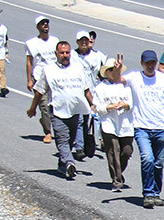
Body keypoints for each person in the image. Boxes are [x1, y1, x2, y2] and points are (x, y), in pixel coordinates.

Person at [28, 41, 95, 179]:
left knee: (70, 140)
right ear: (56, 54)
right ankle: (70, 163)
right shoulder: (49, 70)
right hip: (58, 111)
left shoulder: (78, 68)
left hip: (75, 111)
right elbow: (39, 91)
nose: (65, 55)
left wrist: (93, 104)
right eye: (62, 53)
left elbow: (86, 88)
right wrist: (33, 108)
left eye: (67, 52)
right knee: (62, 139)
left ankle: (62, 164)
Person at [124, 50, 164, 208]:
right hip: (142, 127)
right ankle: (148, 193)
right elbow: (117, 80)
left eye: (153, 62)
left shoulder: (162, 78)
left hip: (160, 127)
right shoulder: (134, 77)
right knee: (147, 159)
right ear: (142, 63)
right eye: (147, 63)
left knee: (158, 163)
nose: (150, 65)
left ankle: (156, 193)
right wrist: (116, 69)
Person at [92, 56, 134, 192]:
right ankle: (117, 180)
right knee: (113, 152)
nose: (114, 71)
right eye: (111, 69)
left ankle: (119, 171)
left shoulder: (125, 87)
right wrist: (109, 107)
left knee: (126, 151)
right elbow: (97, 106)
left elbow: (132, 104)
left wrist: (125, 105)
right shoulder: (100, 88)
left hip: (125, 123)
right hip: (108, 123)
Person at [72, 30, 106, 160]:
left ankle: (92, 141)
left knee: (90, 119)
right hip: (78, 92)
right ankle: (79, 147)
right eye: (82, 41)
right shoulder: (73, 56)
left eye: (86, 40)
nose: (84, 43)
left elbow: (105, 69)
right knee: (80, 119)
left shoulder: (97, 56)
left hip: (93, 92)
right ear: (78, 42)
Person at [25, 16, 59, 143]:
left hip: (54, 77)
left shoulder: (55, 41)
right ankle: (48, 132)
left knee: (54, 106)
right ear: (38, 27)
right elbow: (29, 62)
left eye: (46, 23)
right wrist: (29, 79)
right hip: (40, 77)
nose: (45, 25)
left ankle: (49, 123)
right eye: (42, 24)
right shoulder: (31, 43)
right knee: (44, 105)